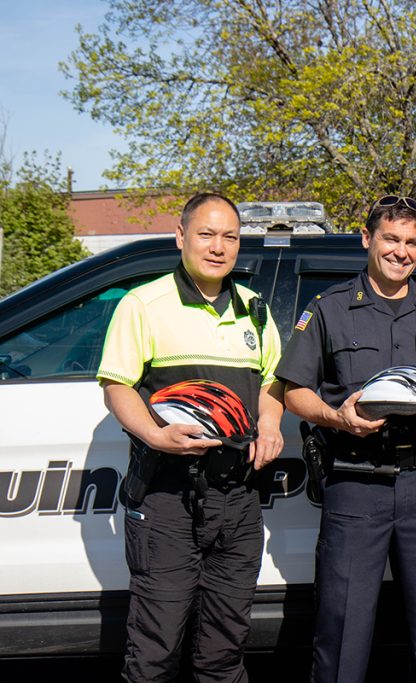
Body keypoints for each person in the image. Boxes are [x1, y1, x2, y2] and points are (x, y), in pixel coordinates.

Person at [275, 195, 416, 683]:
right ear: (367, 239)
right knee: (341, 631)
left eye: (412, 242)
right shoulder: (329, 309)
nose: (402, 251)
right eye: (391, 238)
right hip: (354, 484)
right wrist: (336, 417)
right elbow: (293, 391)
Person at [97, 192, 285, 682]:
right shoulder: (144, 305)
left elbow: (271, 383)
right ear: (181, 237)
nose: (218, 247)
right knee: (154, 652)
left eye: (230, 237)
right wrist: (155, 437)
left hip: (238, 499)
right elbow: (117, 386)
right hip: (167, 496)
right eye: (206, 234)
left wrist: (270, 423)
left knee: (224, 652)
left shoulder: (255, 309)